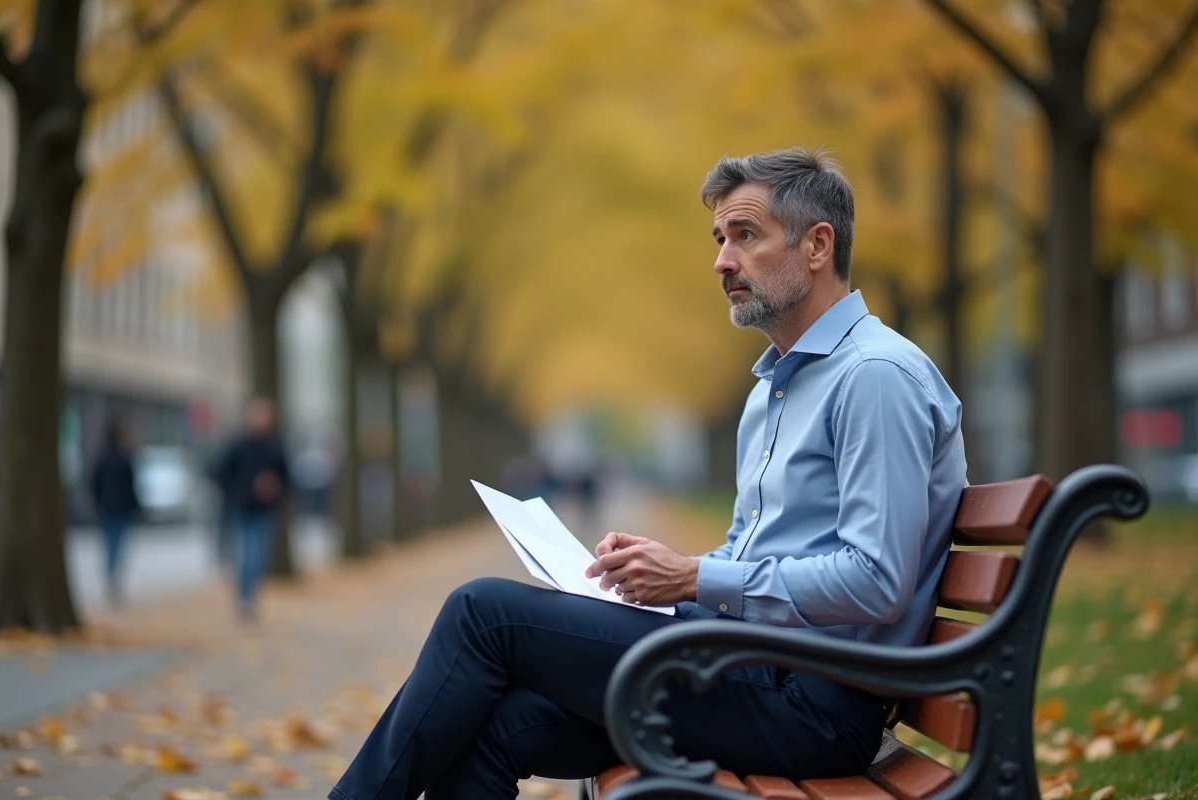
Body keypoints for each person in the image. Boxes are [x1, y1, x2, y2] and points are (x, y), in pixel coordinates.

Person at [329, 148, 968, 799]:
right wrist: (661, 577)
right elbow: (760, 552)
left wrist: (696, 577)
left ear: (817, 246)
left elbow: (877, 579)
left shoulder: (874, 377)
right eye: (720, 239)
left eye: (745, 235)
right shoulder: (776, 389)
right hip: (749, 669)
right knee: (499, 722)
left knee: (482, 613)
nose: (722, 260)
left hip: (813, 706)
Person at [215, 397, 290, 621]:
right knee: (245, 555)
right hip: (241, 508)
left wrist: (274, 489)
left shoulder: (275, 447)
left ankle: (249, 597)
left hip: (264, 511)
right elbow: (220, 473)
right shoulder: (239, 445)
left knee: (257, 557)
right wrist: (237, 491)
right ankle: (244, 597)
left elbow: (285, 478)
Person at [89, 419, 141, 607]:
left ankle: (111, 579)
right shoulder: (124, 458)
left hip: (109, 509)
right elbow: (132, 486)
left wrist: (98, 503)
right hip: (120, 509)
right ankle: (113, 580)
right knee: (117, 546)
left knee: (111, 546)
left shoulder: (102, 457)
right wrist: (136, 507)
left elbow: (93, 483)